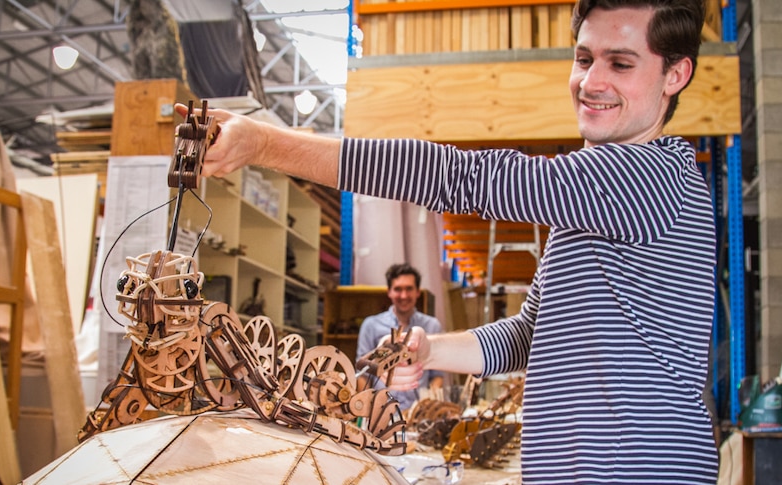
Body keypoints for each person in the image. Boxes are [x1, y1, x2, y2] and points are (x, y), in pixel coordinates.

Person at [176, 0, 719, 482]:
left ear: (676, 74)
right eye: (583, 59)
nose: (591, 81)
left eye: (621, 64)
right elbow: (530, 335)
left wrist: (266, 143)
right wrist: (435, 349)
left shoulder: (652, 176)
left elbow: (459, 176)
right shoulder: (591, 205)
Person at [355, 263, 444, 410]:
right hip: (381, 410)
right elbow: (363, 373)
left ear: (418, 292)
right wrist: (364, 410)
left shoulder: (432, 326)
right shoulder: (371, 325)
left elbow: (437, 374)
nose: (404, 296)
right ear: (389, 292)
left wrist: (428, 408)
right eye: (398, 289)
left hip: (417, 412)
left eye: (409, 289)